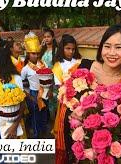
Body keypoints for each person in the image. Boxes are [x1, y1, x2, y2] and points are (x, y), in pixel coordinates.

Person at [52, 34, 93, 164]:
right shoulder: (57, 66)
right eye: (68, 48)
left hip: (83, 101)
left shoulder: (80, 62)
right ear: (62, 49)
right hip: (66, 102)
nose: (71, 52)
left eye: (73, 49)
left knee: (83, 130)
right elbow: (59, 87)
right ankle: (70, 154)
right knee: (67, 130)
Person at [21, 34, 51, 138]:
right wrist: (30, 96)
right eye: (33, 53)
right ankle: (36, 136)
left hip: (44, 92)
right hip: (33, 94)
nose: (36, 56)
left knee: (44, 114)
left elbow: (49, 78)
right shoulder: (25, 69)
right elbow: (23, 85)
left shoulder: (44, 64)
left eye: (37, 53)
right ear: (28, 54)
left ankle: (44, 133)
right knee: (35, 116)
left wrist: (50, 90)